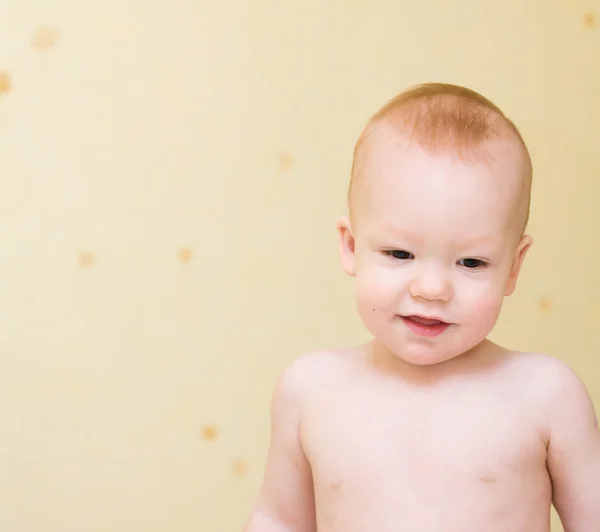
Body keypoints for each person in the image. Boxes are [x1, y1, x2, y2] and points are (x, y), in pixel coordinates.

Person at [242, 83, 600, 532]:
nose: (432, 289)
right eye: (399, 254)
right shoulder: (310, 389)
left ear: (514, 266)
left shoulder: (546, 395)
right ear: (351, 246)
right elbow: (278, 519)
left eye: (471, 262)